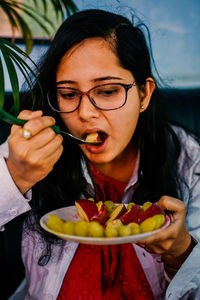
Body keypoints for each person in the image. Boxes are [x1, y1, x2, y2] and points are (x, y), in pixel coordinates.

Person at [0, 8, 200, 300]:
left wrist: (182, 252)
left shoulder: (189, 160)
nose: (85, 113)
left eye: (107, 91)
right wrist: (15, 176)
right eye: (68, 94)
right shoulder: (31, 148)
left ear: (144, 94)